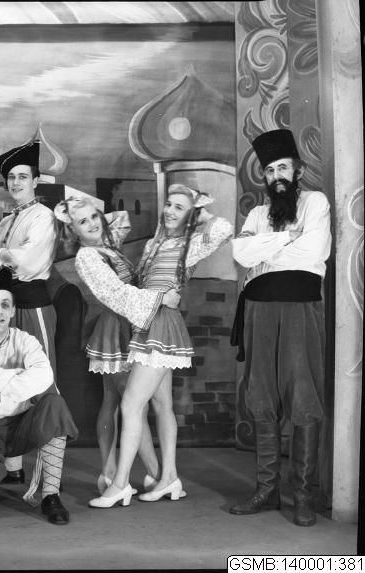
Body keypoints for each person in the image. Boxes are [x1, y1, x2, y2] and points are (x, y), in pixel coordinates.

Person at [90, 183, 232, 509]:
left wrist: (199, 211)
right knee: (161, 405)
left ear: (190, 215)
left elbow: (224, 229)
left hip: (161, 324)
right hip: (147, 321)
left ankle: (120, 484)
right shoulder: (154, 243)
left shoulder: (189, 244)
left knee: (131, 404)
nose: (169, 211)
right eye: (169, 204)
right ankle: (169, 477)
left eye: (179, 208)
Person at [229, 129, 331, 527]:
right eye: (270, 170)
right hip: (258, 310)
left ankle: (303, 494)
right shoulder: (257, 214)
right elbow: (241, 253)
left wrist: (267, 249)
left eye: (282, 167)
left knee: (304, 395)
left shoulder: (315, 202)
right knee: (261, 395)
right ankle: (267, 490)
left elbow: (313, 251)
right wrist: (287, 238)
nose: (276, 176)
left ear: (297, 170)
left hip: (300, 307)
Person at [54, 187, 181, 494]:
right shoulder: (87, 255)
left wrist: (81, 209)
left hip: (128, 323)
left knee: (114, 401)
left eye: (94, 217)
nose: (92, 224)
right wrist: (160, 299)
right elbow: (117, 294)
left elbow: (120, 219)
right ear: (72, 230)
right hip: (119, 327)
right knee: (131, 404)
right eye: (83, 222)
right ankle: (153, 474)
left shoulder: (108, 246)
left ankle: (112, 474)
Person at [0, 267, 78, 525]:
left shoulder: (26, 341)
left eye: (5, 305)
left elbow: (44, 376)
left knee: (54, 404)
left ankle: (51, 496)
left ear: (13, 310)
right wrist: (18, 374)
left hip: (22, 425)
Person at [0, 141, 57, 484]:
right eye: (11, 177)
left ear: (35, 180)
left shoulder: (43, 217)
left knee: (43, 385)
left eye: (22, 176)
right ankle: (14, 469)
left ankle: (50, 475)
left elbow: (27, 261)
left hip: (33, 307)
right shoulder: (4, 223)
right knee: (8, 382)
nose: (15, 183)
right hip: (8, 310)